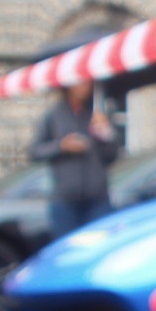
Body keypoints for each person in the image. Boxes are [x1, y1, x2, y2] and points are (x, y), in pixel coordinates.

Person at [30, 79, 119, 239]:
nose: (84, 86)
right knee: (67, 248)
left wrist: (105, 134)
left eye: (88, 83)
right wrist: (61, 146)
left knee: (100, 247)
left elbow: (112, 155)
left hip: (97, 197)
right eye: (80, 82)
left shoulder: (97, 114)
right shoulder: (54, 115)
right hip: (65, 199)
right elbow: (35, 152)